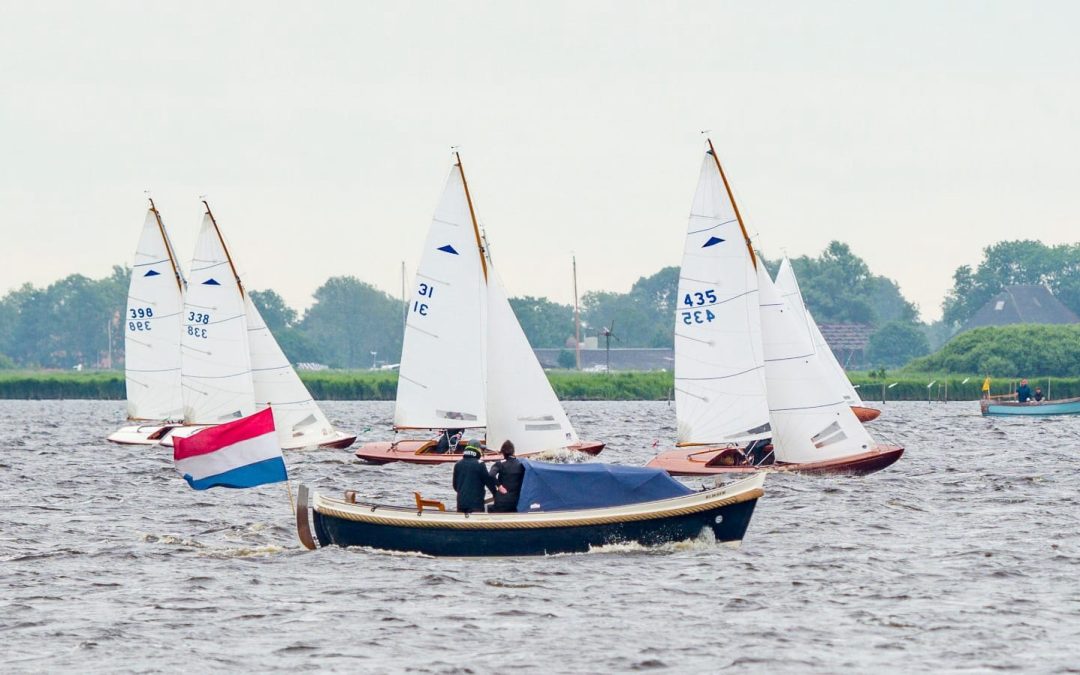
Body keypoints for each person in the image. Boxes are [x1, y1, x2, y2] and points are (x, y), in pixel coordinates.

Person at [452, 441, 498, 513]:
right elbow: (489, 482)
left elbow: (455, 486)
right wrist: (496, 494)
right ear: (477, 449)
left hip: (461, 504)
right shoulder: (480, 464)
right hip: (476, 505)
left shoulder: (458, 464)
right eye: (481, 449)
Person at [488, 440, 525, 512]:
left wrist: (499, 486)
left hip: (501, 502)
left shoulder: (499, 464)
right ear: (513, 452)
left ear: (503, 452)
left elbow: (491, 475)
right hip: (516, 502)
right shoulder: (521, 464)